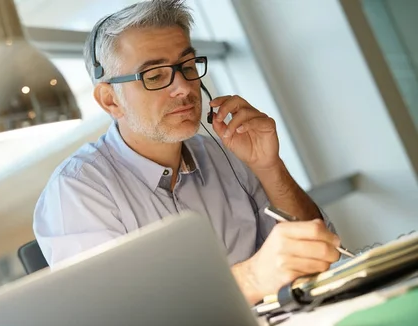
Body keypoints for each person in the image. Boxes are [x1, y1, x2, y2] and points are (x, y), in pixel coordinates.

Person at [33, 0, 341, 304]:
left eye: (188, 67)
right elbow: (119, 319)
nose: (183, 87)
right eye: (154, 76)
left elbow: (323, 248)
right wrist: (250, 279)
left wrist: (270, 167)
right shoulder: (77, 191)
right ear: (111, 100)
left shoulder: (226, 152)